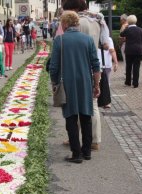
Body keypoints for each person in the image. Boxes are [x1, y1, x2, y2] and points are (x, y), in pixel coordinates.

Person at [49, 11, 101, 163]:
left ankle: (76, 153)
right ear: (76, 23)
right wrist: (96, 84)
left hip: (68, 83)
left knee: (71, 117)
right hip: (85, 81)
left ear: (65, 24)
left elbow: (54, 66)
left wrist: (54, 83)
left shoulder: (60, 40)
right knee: (86, 115)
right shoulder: (88, 40)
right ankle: (86, 152)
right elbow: (95, 65)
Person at [61, 0, 110, 151]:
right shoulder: (96, 20)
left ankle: (74, 137)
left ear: (74, 9)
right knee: (92, 105)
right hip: (94, 65)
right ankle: (95, 140)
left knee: (74, 104)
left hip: (78, 66)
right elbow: (105, 43)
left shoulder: (77, 23)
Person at [120, 15, 142, 88]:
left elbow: (121, 34)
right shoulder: (140, 30)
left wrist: (125, 27)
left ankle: (128, 82)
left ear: (128, 21)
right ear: (136, 21)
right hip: (138, 50)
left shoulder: (127, 29)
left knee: (128, 66)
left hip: (129, 50)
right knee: (136, 67)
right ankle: (135, 83)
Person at [98, 37, 118, 109]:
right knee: (106, 83)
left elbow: (112, 50)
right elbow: (112, 50)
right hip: (105, 64)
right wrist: (116, 62)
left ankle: (103, 101)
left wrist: (116, 62)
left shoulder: (107, 39)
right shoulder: (108, 39)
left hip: (101, 64)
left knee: (98, 82)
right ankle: (105, 102)